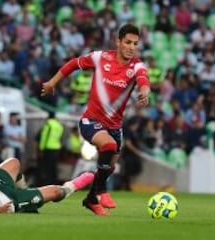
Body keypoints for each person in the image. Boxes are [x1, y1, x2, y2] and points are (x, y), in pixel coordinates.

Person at [41, 24, 151, 216]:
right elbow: (73, 64)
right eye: (127, 42)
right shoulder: (100, 57)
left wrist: (144, 93)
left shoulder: (137, 66)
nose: (131, 47)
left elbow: (144, 81)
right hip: (91, 121)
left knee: (109, 166)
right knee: (107, 147)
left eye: (135, 43)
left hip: (115, 126)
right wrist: (52, 82)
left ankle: (91, 199)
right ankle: (101, 191)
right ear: (118, 42)